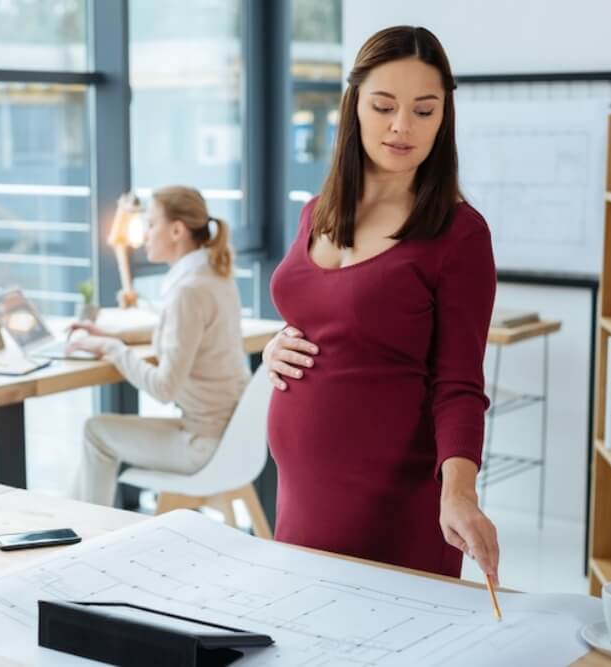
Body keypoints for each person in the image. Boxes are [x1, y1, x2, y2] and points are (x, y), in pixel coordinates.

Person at [264, 26, 500, 582]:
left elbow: (460, 384)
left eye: (424, 110)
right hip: (300, 489)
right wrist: (276, 346)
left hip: (392, 497)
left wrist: (460, 494)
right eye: (384, 106)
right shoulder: (317, 211)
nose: (402, 126)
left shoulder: (459, 234)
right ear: (354, 105)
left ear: (443, 117)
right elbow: (325, 314)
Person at [67, 186, 250, 506]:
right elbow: (180, 332)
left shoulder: (188, 291)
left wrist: (113, 349)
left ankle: (89, 529)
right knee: (99, 431)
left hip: (202, 444)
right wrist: (112, 335)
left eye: (151, 224)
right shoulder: (213, 275)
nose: (145, 235)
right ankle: (79, 523)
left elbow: (165, 388)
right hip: (231, 437)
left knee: (96, 432)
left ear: (177, 230)